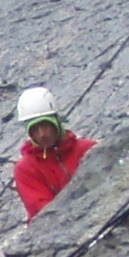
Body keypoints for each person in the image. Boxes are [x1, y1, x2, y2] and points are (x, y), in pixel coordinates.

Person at [12, 89, 94, 220]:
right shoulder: (26, 168)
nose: (42, 134)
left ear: (57, 123)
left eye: (45, 125)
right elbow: (42, 210)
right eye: (34, 130)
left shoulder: (87, 149)